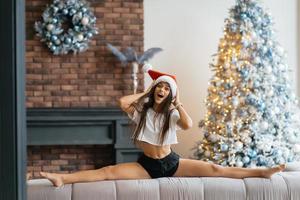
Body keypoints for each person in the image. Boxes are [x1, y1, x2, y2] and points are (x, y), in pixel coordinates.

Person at [40, 67, 285, 187]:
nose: (162, 90)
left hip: (171, 162)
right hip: (147, 166)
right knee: (107, 171)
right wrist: (146, 90)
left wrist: (178, 103)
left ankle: (261, 172)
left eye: (166, 88)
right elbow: (122, 102)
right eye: (160, 87)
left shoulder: (172, 113)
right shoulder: (142, 112)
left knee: (214, 168)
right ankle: (62, 177)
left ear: (170, 95)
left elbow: (188, 125)